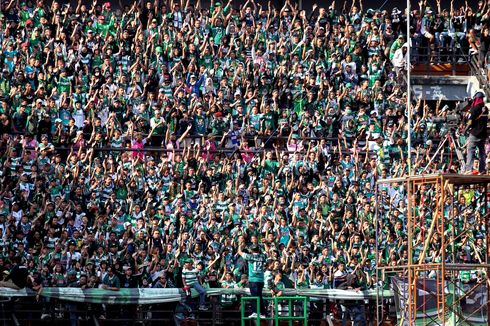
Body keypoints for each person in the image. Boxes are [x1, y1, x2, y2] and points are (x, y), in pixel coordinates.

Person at [238, 244, 267, 319]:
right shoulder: (262, 256)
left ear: (251, 250)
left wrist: (240, 245)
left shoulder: (250, 256)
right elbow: (267, 252)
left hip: (253, 280)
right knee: (259, 296)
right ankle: (263, 313)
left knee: (254, 297)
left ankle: (255, 312)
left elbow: (239, 252)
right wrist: (266, 244)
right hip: (261, 280)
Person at [465, 91, 488, 174]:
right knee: (482, 152)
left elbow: (470, 122)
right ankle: (482, 170)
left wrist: (465, 129)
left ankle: (469, 170)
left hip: (475, 133)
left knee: (470, 150)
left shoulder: (474, 108)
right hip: (483, 134)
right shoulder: (486, 109)